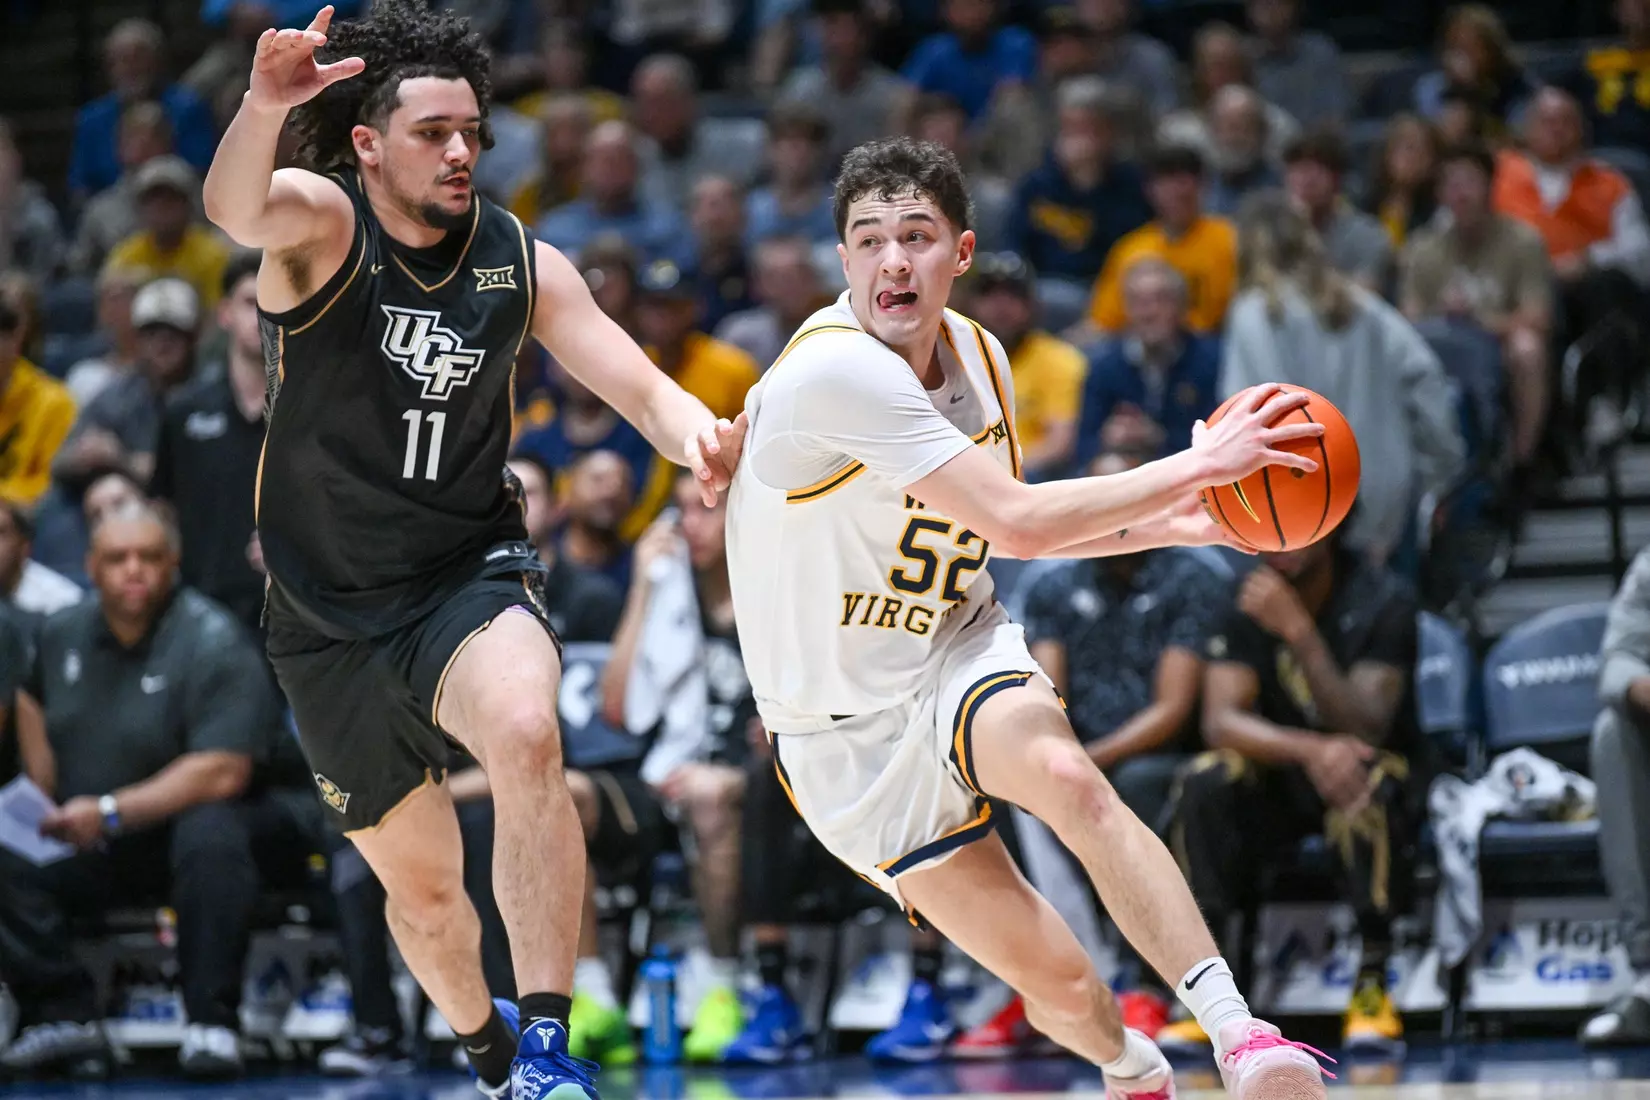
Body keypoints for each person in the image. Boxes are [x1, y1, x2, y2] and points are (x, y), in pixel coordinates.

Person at [200, 5, 746, 1097]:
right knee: (428, 895)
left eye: (473, 134)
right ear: (367, 142)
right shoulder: (321, 225)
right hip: (325, 619)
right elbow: (234, 206)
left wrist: (700, 437)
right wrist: (265, 103)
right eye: (433, 132)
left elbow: (636, 382)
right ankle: (489, 1052)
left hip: (465, 573)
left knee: (527, 729)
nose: (460, 152)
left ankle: (547, 1044)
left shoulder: (517, 260)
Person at [724, 135, 1332, 1100]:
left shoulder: (982, 357)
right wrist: (1199, 468)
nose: (894, 261)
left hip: (953, 645)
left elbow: (1002, 538)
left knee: (1067, 776)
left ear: (959, 254)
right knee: (1062, 985)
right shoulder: (830, 375)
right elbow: (1021, 519)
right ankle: (1133, 1073)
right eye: (869, 240)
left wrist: (1176, 526)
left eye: (917, 237)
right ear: (841, 259)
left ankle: (1239, 1033)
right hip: (844, 739)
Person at [1169, 529, 1423, 1055]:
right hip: (1283, 774)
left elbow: (1366, 724)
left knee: (1366, 781)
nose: (1278, 540)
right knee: (1206, 778)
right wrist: (1310, 750)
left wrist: (1300, 631)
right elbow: (1221, 721)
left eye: (1294, 524)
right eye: (1269, 525)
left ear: (1329, 527)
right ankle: (1217, 987)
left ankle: (1373, 980)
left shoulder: (1383, 595)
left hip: (1365, 769)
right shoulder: (1242, 596)